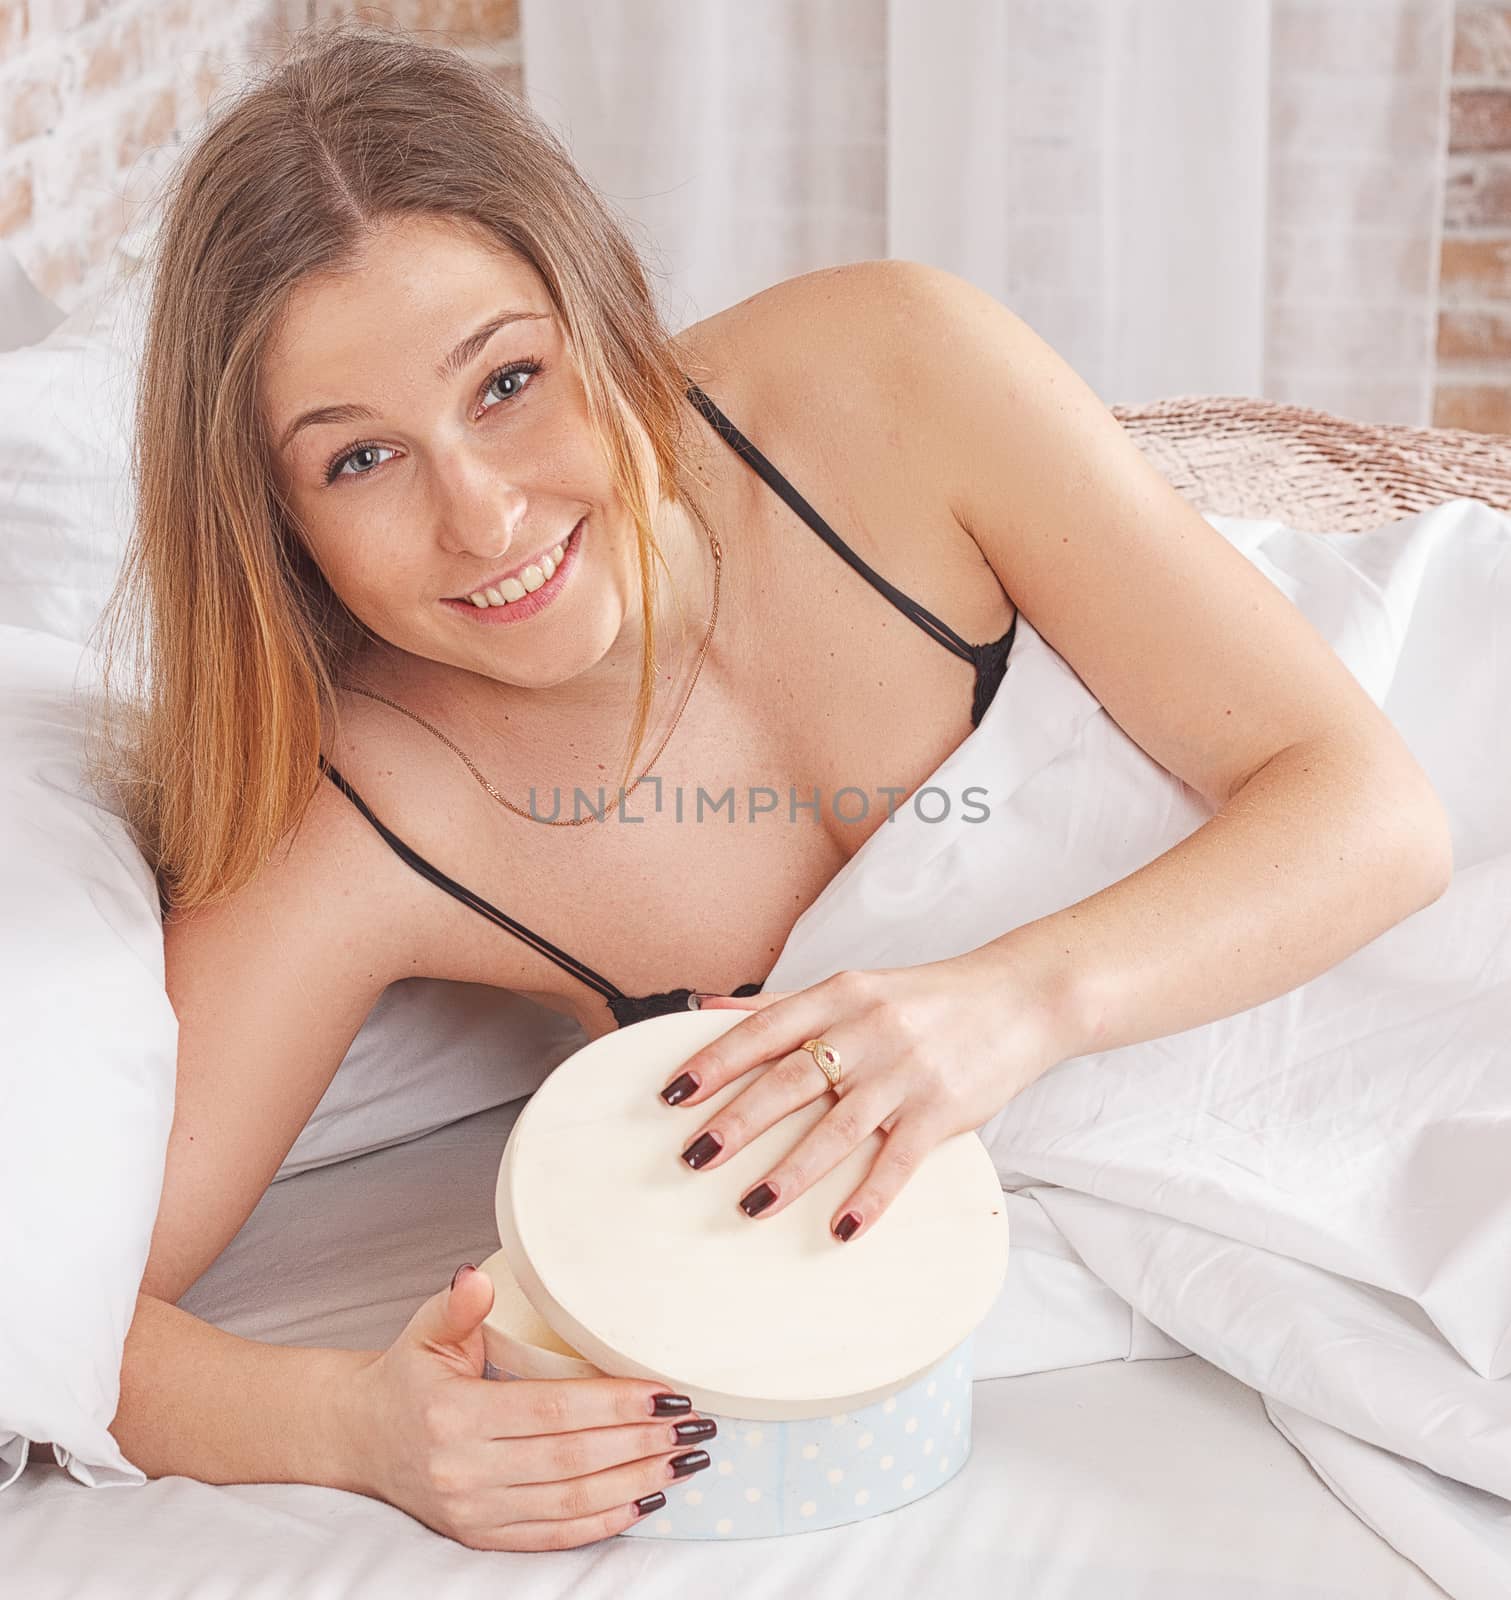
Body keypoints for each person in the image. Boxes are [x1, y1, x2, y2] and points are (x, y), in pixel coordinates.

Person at [88, 22, 1453, 1553]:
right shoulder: (358, 812)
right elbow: (63, 1297)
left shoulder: (887, 367)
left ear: (603, 313)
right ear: (271, 524)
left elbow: (1373, 808)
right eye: (358, 463)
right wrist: (357, 1430)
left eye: (509, 381)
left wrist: (1008, 1004)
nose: (482, 515)